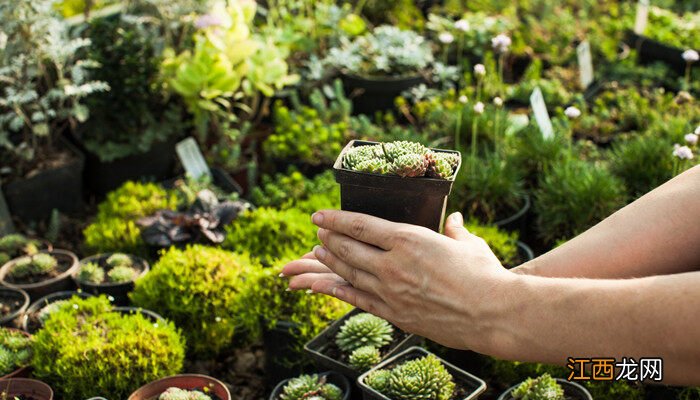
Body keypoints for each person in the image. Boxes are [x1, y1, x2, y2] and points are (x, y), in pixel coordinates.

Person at [281, 165, 700, 385]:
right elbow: (661, 368)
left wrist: (492, 309)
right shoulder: (638, 368)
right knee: (634, 373)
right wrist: (510, 283)